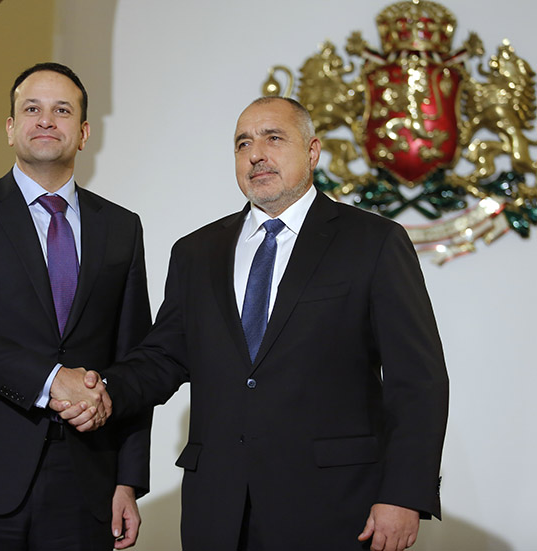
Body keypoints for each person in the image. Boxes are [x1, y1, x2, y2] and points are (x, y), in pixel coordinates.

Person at [52, 97, 449, 551]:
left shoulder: (374, 242)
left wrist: (403, 495)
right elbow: (161, 358)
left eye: (273, 138)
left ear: (313, 151)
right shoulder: (196, 252)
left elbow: (417, 380)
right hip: (219, 510)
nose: (256, 153)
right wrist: (100, 387)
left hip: (336, 507)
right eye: (243, 144)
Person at [0, 62, 152, 551]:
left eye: (62, 110)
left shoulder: (122, 228)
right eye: (32, 108)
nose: (47, 120)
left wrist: (128, 479)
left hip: (87, 481)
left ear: (83, 132)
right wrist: (50, 380)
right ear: (11, 127)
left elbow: (134, 356)